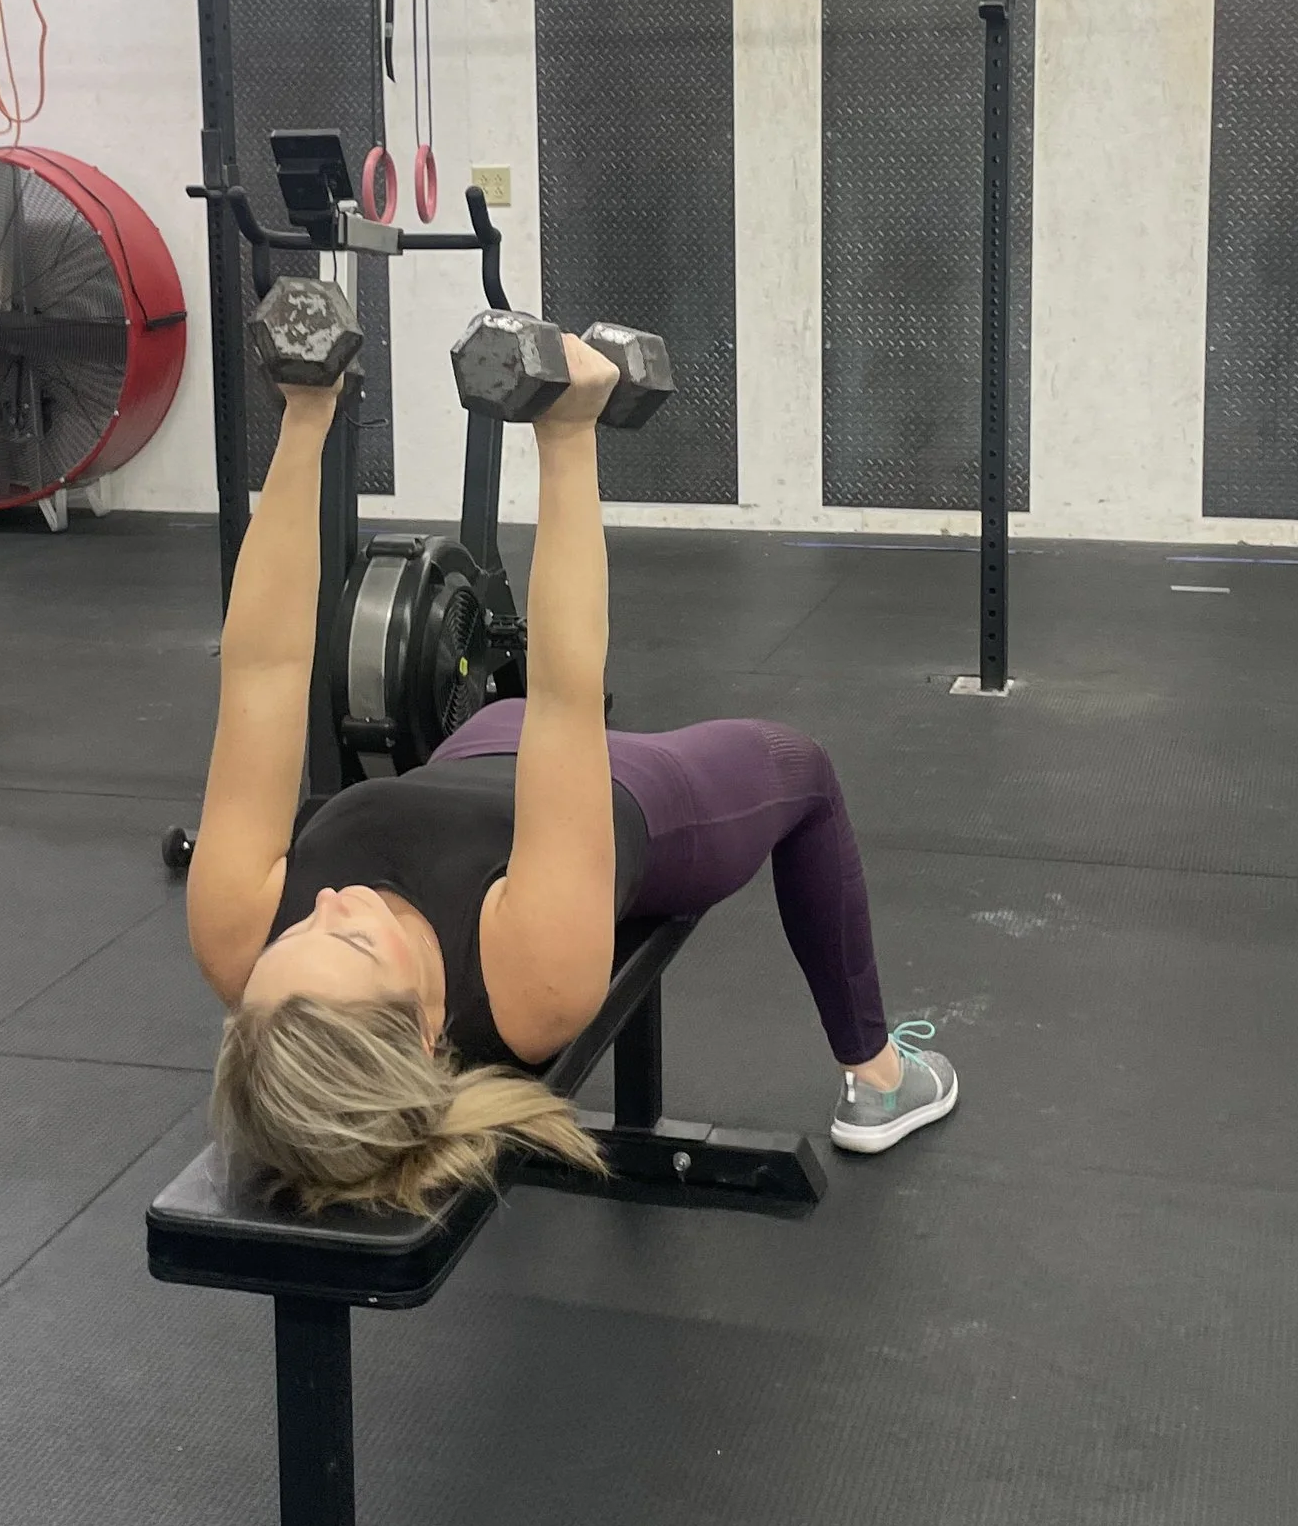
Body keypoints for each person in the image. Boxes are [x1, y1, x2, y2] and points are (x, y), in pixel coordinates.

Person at [186, 327, 955, 1211]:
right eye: (352, 939)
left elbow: (264, 669)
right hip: (630, 797)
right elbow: (566, 692)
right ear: (432, 1034)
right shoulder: (534, 982)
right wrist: (568, 434)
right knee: (807, 773)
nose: (325, 903)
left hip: (487, 745)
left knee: (509, 718)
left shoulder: (235, 935)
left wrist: (305, 415)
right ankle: (880, 1072)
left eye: (296, 937)